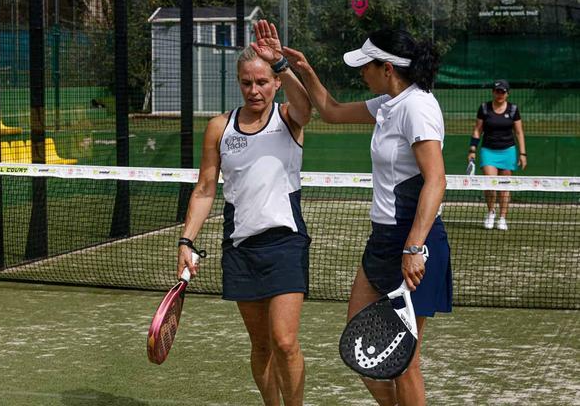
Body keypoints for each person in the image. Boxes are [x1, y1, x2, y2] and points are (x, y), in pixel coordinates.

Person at [280, 29, 452, 406]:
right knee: (360, 344)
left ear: (387, 68)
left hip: (413, 242)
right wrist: (303, 70)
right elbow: (333, 112)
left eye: (366, 66)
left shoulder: (417, 107)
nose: (362, 72)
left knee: (405, 360)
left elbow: (436, 180)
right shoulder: (389, 103)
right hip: (383, 240)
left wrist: (414, 247)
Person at [177, 20, 312, 406]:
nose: (254, 90)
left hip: (286, 242)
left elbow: (309, 107)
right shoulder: (219, 127)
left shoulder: (288, 118)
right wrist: (187, 241)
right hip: (240, 248)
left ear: (276, 84)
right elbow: (205, 190)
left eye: (262, 82)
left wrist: (282, 63)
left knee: (285, 342)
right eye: (247, 83)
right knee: (261, 346)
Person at [468, 79, 526, 231]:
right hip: (488, 151)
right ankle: (491, 212)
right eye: (497, 91)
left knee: (504, 187)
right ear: (493, 92)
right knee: (489, 183)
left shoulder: (513, 109)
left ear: (507, 93)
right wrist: (472, 149)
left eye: (502, 91)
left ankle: (502, 218)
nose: (499, 94)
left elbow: (519, 132)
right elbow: (477, 130)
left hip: (508, 151)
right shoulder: (484, 108)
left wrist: (522, 153)